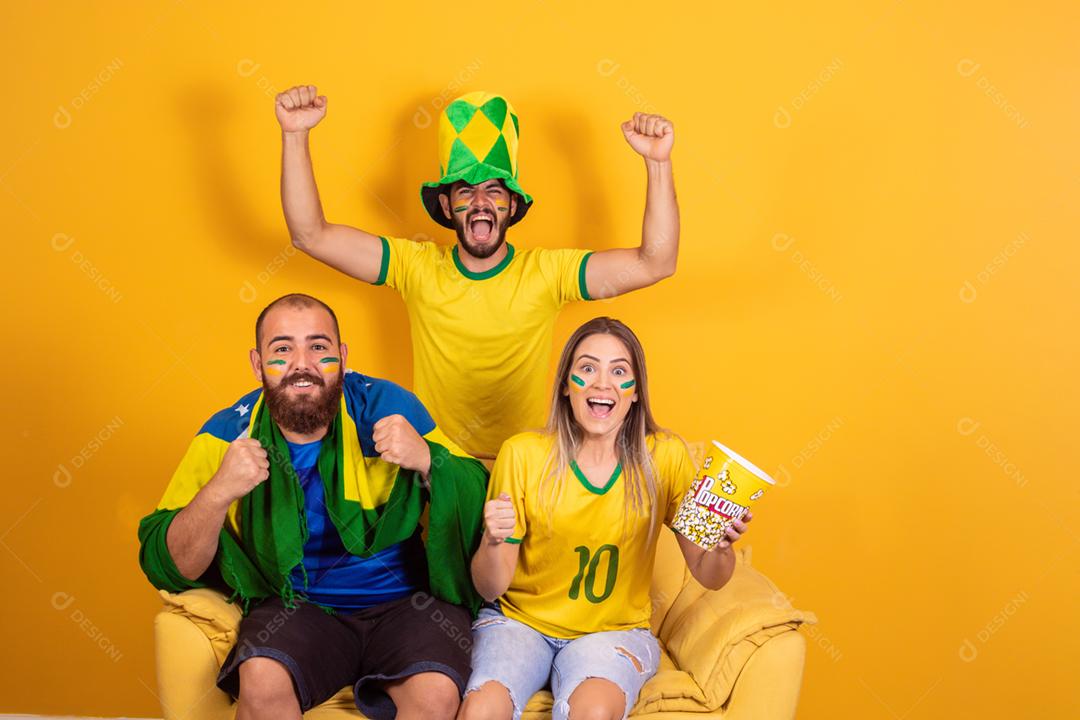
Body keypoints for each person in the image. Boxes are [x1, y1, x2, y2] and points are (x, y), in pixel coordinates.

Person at [276, 87, 681, 460]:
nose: (481, 201)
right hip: (435, 470)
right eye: (466, 191)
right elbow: (310, 234)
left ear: (511, 206)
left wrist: (658, 162)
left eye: (495, 191)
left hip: (523, 473)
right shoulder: (413, 266)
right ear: (449, 207)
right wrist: (295, 135)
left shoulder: (549, 273)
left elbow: (656, 262)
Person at [137, 293, 488, 720]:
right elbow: (170, 563)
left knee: (434, 694)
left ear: (341, 356)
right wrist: (219, 491)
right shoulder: (228, 432)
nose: (301, 363)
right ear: (256, 363)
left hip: (405, 604)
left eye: (318, 347)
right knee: (262, 679)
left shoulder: (387, 408)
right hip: (296, 607)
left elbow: (478, 490)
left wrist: (431, 461)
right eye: (282, 349)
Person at [462, 317, 752, 720]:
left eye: (619, 371)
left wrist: (721, 546)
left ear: (635, 393)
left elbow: (709, 574)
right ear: (566, 385)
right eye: (587, 368)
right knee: (480, 711)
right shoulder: (523, 454)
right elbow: (490, 587)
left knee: (594, 713)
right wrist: (493, 540)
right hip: (519, 624)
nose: (602, 383)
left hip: (612, 632)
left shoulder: (665, 457)